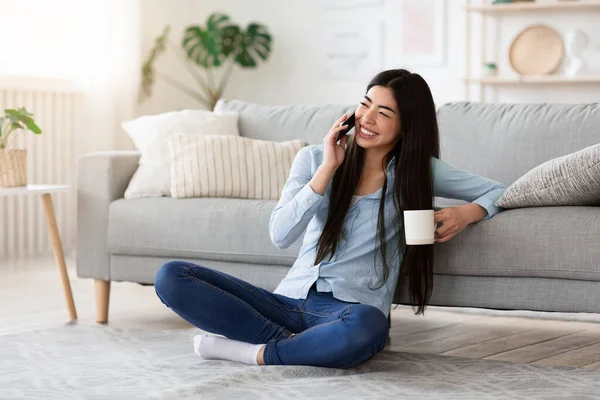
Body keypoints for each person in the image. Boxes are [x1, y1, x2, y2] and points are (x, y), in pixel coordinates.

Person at [154, 69, 506, 369]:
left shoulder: (418, 171)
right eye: (365, 104)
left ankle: (256, 353)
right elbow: (280, 234)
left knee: (369, 325)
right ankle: (297, 347)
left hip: (347, 312)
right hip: (285, 303)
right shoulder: (312, 159)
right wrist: (327, 169)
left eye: (384, 113)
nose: (367, 119)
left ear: (405, 127)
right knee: (172, 276)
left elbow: (502, 191)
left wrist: (467, 212)